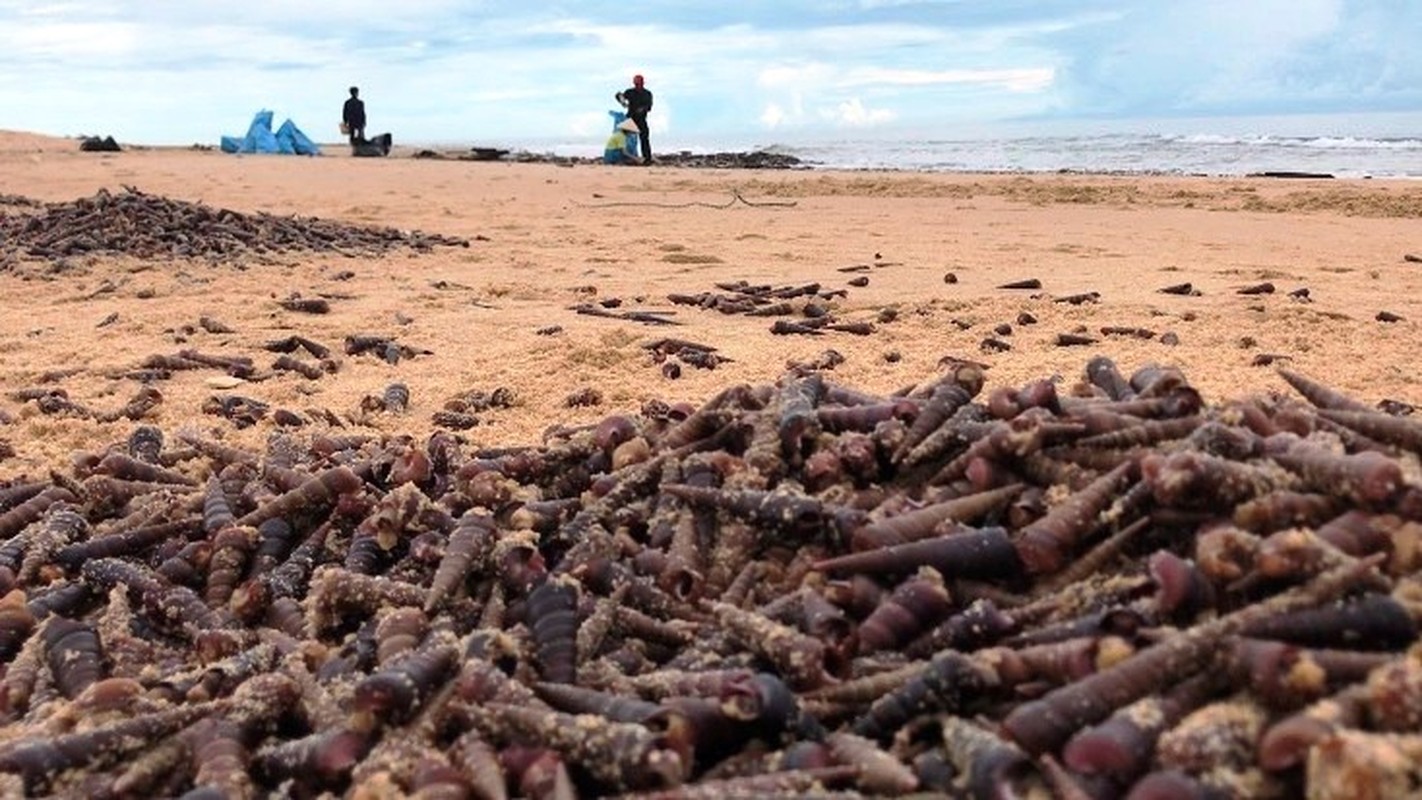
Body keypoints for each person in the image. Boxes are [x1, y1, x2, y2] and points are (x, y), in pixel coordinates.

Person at [614, 74, 653, 164]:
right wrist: (621, 100)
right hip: (631, 118)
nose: (637, 84)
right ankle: (619, 156)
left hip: (641, 119)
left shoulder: (647, 94)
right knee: (621, 135)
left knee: (644, 139)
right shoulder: (630, 92)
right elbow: (619, 96)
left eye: (639, 82)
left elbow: (649, 106)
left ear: (643, 82)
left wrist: (642, 109)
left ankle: (647, 159)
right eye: (636, 82)